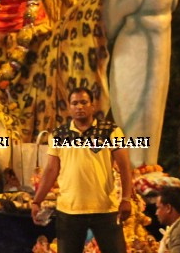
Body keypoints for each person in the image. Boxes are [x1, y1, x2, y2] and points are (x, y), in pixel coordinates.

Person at [31, 87, 133, 253]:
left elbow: (124, 166)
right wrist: (36, 201)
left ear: (92, 106)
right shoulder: (59, 134)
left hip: (105, 209)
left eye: (84, 102)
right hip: (69, 211)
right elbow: (50, 170)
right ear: (69, 108)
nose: (79, 107)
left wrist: (126, 198)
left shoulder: (110, 131)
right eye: (75, 103)